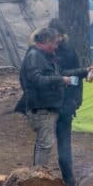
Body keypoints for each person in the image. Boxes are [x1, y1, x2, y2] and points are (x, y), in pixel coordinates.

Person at [48, 19, 93, 186]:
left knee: (64, 140)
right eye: (56, 36)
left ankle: (68, 177)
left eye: (60, 36)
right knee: (44, 141)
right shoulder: (45, 51)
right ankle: (38, 174)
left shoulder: (68, 51)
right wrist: (83, 71)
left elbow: (75, 78)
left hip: (66, 100)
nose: (58, 40)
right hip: (49, 100)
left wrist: (77, 98)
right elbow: (59, 73)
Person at [19, 27, 74, 168]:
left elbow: (59, 73)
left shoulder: (44, 56)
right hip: (41, 107)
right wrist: (60, 80)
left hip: (46, 106)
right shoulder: (34, 56)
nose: (56, 47)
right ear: (46, 41)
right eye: (55, 43)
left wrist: (84, 72)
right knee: (45, 144)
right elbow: (36, 80)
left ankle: (38, 175)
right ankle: (39, 177)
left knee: (43, 143)